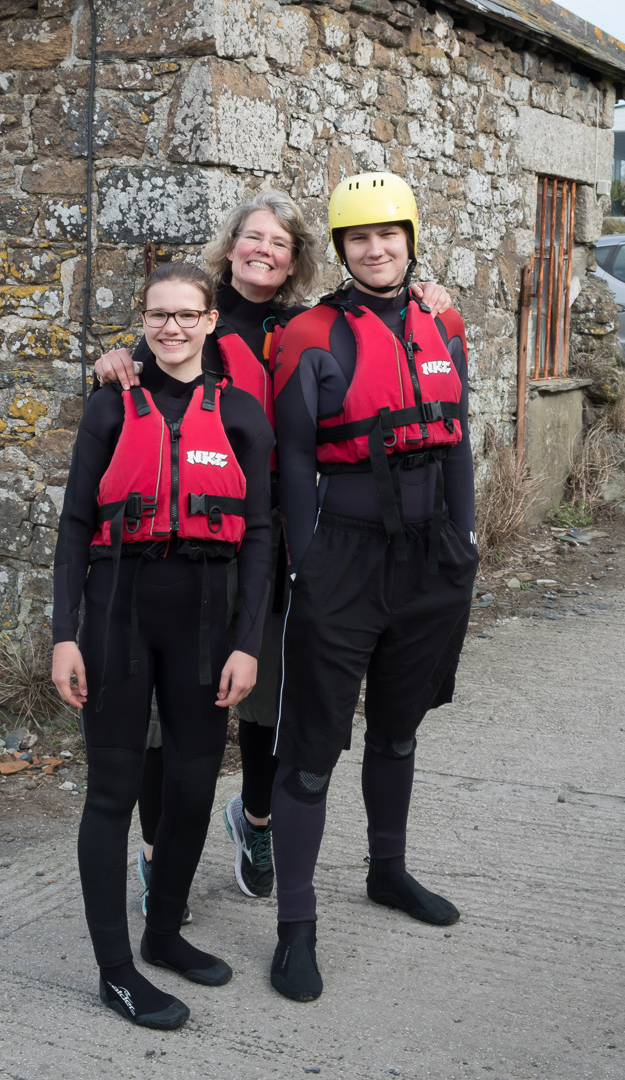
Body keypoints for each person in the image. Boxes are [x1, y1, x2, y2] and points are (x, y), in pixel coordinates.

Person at [93, 191, 454, 910]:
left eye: (280, 242)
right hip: (181, 545)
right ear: (231, 247)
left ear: (296, 258)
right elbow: (135, 393)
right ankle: (157, 853)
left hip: (269, 539)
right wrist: (111, 361)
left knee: (266, 704)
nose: (265, 249)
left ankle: (254, 821)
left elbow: (377, 324)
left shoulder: (304, 327)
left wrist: (429, 291)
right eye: (252, 237)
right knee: (172, 713)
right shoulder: (186, 321)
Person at [269, 171, 479, 1002]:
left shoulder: (444, 321)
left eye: (390, 233)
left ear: (410, 239)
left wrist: (464, 543)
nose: (377, 247)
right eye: (360, 237)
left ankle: (387, 871)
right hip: (344, 558)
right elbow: (289, 454)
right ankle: (295, 926)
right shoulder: (309, 333)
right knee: (312, 751)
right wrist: (307, 558)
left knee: (398, 729)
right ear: (343, 248)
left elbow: (458, 434)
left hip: (432, 561)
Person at [51, 263, 274, 1029]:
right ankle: (115, 973)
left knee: (191, 787)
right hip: (117, 616)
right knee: (113, 796)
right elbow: (75, 525)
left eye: (186, 315)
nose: (171, 327)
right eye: (157, 315)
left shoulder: (242, 414)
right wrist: (63, 636)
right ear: (142, 321)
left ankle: (163, 931)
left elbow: (264, 537)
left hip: (208, 623)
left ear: (212, 321)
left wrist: (248, 644)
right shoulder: (109, 409)